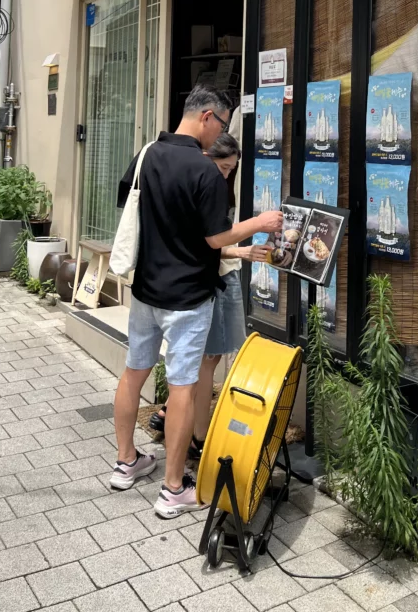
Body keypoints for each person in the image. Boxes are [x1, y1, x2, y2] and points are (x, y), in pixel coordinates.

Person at [109, 86, 282, 519]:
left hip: (146, 290)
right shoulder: (204, 172)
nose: (221, 132)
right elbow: (214, 239)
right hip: (187, 297)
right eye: (222, 124)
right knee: (183, 387)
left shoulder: (149, 153)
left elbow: (129, 204)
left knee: (134, 373)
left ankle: (126, 462)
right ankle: (172, 489)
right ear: (207, 117)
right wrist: (258, 223)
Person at [147, 133, 267, 452]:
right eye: (224, 167)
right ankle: (198, 438)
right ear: (205, 156)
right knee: (206, 363)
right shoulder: (205, 183)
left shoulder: (185, 181)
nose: (226, 175)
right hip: (211, 282)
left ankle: (175, 415)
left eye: (231, 170)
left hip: (192, 281)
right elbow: (208, 242)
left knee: (200, 363)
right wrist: (246, 240)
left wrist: (236, 251)